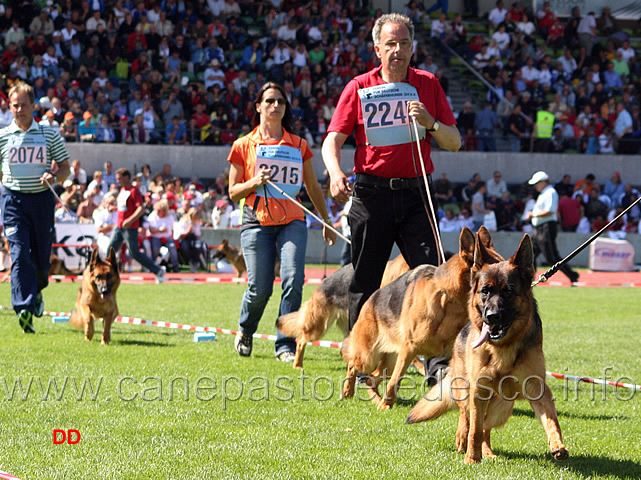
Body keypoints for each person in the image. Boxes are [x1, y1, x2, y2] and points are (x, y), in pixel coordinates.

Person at [321, 13, 460, 331]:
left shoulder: (428, 84)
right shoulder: (358, 86)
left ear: (414, 47)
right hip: (371, 196)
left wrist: (431, 123)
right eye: (391, 43)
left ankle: (436, 364)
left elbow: (454, 142)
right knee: (364, 283)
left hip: (417, 194)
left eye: (404, 43)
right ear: (377, 49)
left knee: (434, 277)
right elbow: (332, 140)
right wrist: (335, 173)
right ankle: (361, 362)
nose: (398, 50)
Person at [228, 81, 336, 362]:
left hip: (293, 220)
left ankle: (285, 344)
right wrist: (254, 182)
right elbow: (232, 192)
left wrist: (326, 220)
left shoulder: (298, 145)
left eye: (281, 102)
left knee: (293, 280)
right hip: (256, 221)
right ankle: (246, 329)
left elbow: (312, 186)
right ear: (258, 106)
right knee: (260, 287)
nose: (275, 106)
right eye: (270, 101)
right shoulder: (242, 145)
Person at [0, 82, 71, 333]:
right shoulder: (3, 137)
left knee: (41, 260)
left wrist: (53, 177)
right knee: (19, 255)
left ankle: (37, 292)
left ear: (33, 106)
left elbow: (65, 168)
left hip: (41, 200)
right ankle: (24, 309)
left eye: (23, 105)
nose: (19, 109)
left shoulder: (48, 134)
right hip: (13, 202)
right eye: (14, 105)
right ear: (10, 106)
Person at [107, 168, 166, 283]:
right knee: (110, 250)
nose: (117, 181)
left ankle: (158, 270)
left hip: (130, 228)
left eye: (119, 178)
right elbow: (125, 207)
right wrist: (114, 209)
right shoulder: (123, 190)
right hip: (119, 226)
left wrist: (130, 220)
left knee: (134, 253)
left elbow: (141, 209)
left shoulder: (134, 191)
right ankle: (106, 274)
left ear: (126, 177)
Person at [526, 171, 579, 284]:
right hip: (539, 228)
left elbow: (549, 211)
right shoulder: (544, 193)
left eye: (537, 183)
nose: (535, 186)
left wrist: (533, 214)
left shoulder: (550, 192)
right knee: (531, 255)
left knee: (552, 256)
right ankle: (529, 279)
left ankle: (572, 275)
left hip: (546, 228)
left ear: (544, 182)